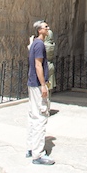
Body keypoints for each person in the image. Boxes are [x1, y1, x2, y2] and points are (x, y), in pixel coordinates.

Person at [26, 20, 55, 165]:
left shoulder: (33, 43)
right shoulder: (39, 44)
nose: (48, 28)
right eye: (46, 27)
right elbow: (38, 65)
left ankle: (31, 148)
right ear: (39, 30)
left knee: (33, 115)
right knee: (41, 116)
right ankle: (38, 154)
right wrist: (43, 85)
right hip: (37, 85)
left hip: (32, 83)